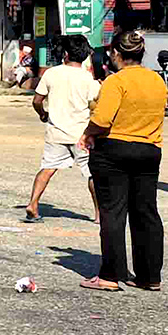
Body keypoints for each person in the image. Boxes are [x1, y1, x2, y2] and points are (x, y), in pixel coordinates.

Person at [80, 30, 167, 292]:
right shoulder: (157, 80)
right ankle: (149, 276)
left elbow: (103, 119)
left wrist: (87, 133)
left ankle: (110, 275)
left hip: (114, 151)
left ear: (116, 53)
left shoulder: (115, 81)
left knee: (113, 213)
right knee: (146, 213)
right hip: (149, 150)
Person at [26, 36, 99, 225]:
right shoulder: (86, 77)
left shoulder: (51, 73)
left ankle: (33, 204)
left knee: (47, 169)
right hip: (81, 134)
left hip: (56, 132)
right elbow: (98, 98)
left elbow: (37, 100)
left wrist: (43, 114)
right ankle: (99, 214)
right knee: (91, 173)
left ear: (65, 54)